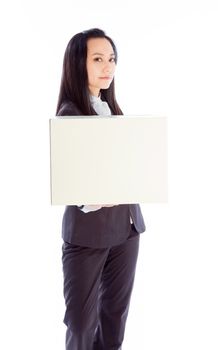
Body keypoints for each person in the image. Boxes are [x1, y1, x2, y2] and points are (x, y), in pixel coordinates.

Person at [56, 28, 146, 350]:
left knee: (114, 320)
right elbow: (71, 183)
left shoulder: (111, 108)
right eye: (98, 59)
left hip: (127, 227)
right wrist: (98, 194)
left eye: (111, 59)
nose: (108, 66)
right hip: (87, 235)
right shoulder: (70, 113)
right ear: (78, 63)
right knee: (81, 326)